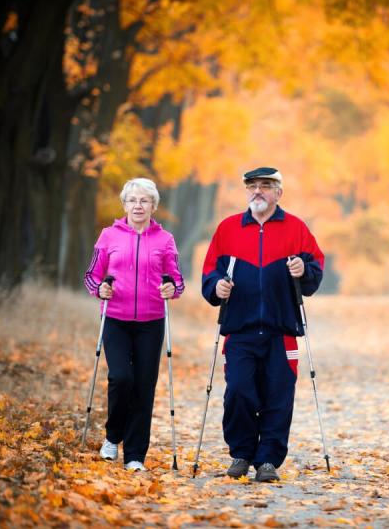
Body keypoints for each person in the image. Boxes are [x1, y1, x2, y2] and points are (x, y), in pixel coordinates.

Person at [201, 167, 324, 482]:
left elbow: (315, 270)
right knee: (239, 392)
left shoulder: (296, 228)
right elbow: (210, 272)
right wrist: (216, 287)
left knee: (278, 395)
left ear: (278, 192)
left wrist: (303, 269)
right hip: (239, 330)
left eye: (266, 186)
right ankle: (241, 454)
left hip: (281, 330)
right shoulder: (228, 228)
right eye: (253, 186)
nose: (258, 191)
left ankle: (268, 460)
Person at [83, 178, 185, 471]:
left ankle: (135, 455)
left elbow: (176, 280)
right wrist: (100, 289)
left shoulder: (165, 240)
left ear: (154, 206)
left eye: (144, 201)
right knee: (120, 378)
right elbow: (91, 276)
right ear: (124, 204)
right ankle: (113, 437)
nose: (138, 206)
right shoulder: (108, 236)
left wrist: (172, 289)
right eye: (132, 200)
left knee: (143, 386)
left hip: (152, 322)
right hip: (115, 318)